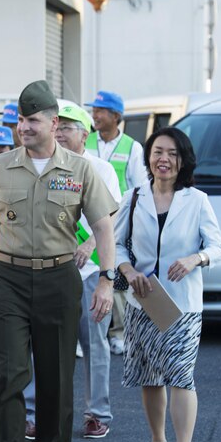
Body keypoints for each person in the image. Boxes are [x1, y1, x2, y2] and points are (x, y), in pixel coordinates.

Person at [0, 80, 118, 442]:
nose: (24, 127)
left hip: (59, 278)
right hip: (8, 279)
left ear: (54, 123)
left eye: (32, 120)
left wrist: (107, 279)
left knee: (56, 376)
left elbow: (104, 226)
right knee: (9, 374)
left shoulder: (80, 169)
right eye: (20, 119)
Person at [114, 126, 221, 442]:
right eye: (158, 152)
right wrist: (128, 271)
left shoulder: (197, 200)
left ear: (183, 160)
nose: (164, 159)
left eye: (172, 154)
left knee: (180, 375)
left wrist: (196, 259)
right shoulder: (133, 197)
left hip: (182, 305)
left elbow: (218, 246)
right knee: (150, 376)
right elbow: (116, 246)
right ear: (148, 157)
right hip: (143, 301)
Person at [55, 101, 121, 438]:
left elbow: (112, 216)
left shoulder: (101, 168)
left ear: (84, 133)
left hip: (90, 270)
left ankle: (97, 413)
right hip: (53, 269)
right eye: (57, 126)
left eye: (67, 127)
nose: (60, 133)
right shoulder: (46, 166)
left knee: (95, 344)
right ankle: (51, 412)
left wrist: (90, 245)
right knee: (52, 345)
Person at [85, 90, 148, 356]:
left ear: (116, 116)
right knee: (88, 274)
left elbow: (141, 186)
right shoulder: (85, 141)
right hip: (87, 220)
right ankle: (85, 331)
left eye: (100, 111)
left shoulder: (132, 147)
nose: (94, 115)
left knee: (116, 274)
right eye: (94, 110)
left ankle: (118, 332)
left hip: (120, 220)